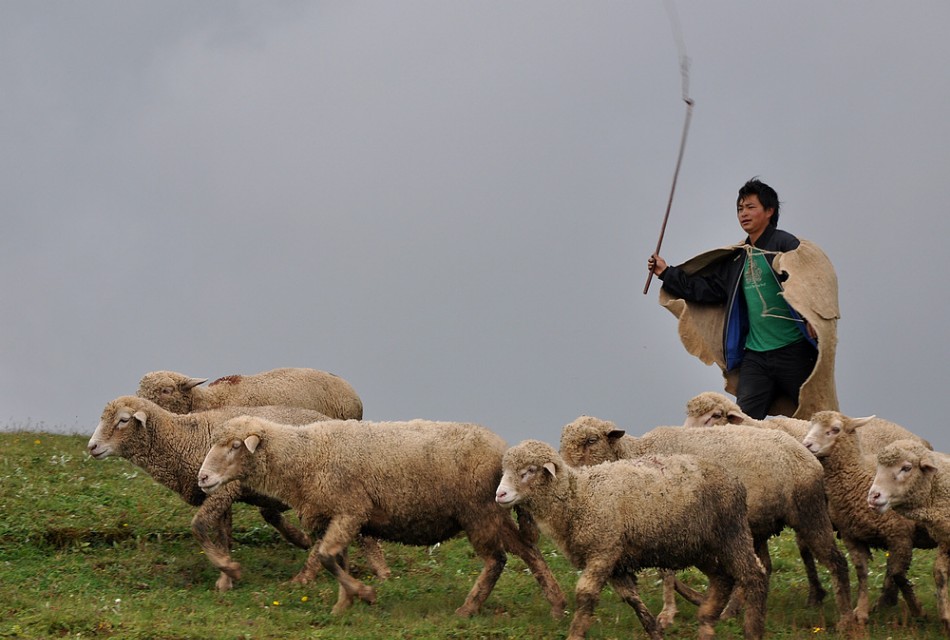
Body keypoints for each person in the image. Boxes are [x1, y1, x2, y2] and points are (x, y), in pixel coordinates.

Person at [647, 178, 821, 419]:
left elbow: (811, 280)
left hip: (794, 351)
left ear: (769, 211)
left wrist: (813, 316)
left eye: (750, 207)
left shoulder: (786, 245)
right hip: (756, 356)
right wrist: (666, 273)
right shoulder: (738, 258)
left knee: (814, 420)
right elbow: (707, 290)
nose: (743, 214)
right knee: (740, 422)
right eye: (740, 209)